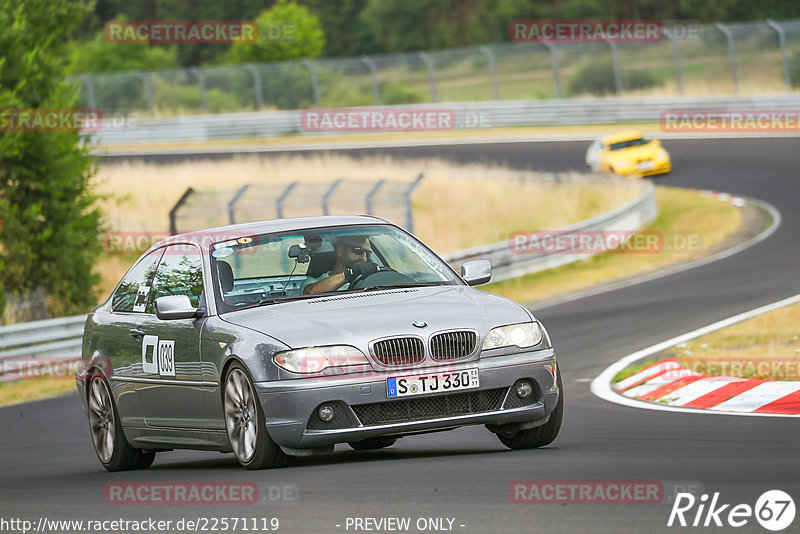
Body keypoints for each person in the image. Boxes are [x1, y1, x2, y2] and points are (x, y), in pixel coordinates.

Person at [301, 235, 378, 295]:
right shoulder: (313, 281)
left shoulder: (370, 280)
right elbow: (311, 292)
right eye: (358, 250)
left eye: (368, 254)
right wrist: (349, 274)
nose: (364, 258)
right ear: (340, 250)